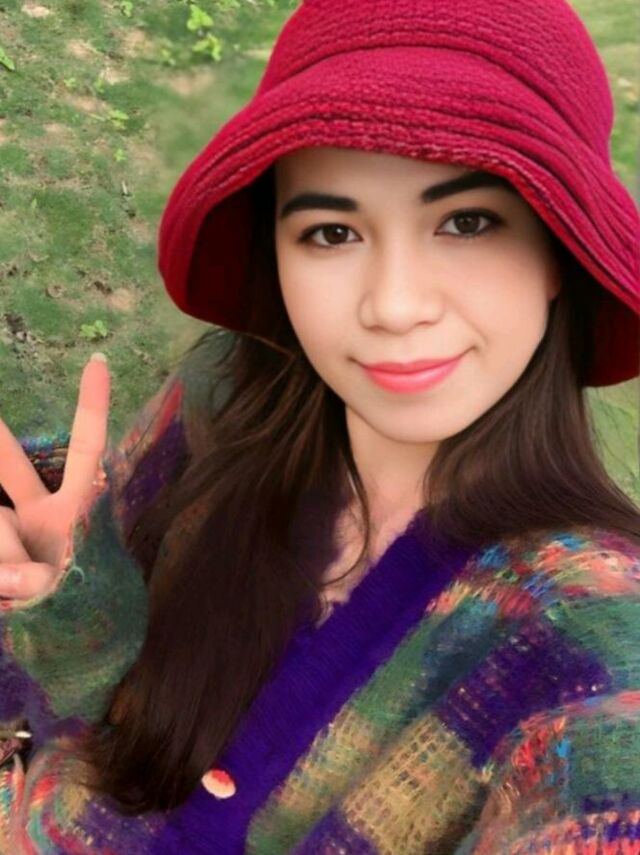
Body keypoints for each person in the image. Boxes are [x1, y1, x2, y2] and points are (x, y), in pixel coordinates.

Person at [1, 0, 639, 851]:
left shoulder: (589, 634)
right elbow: (95, 710)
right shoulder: (223, 404)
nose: (394, 305)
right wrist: (68, 617)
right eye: (333, 231)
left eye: (467, 222)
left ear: (559, 250)